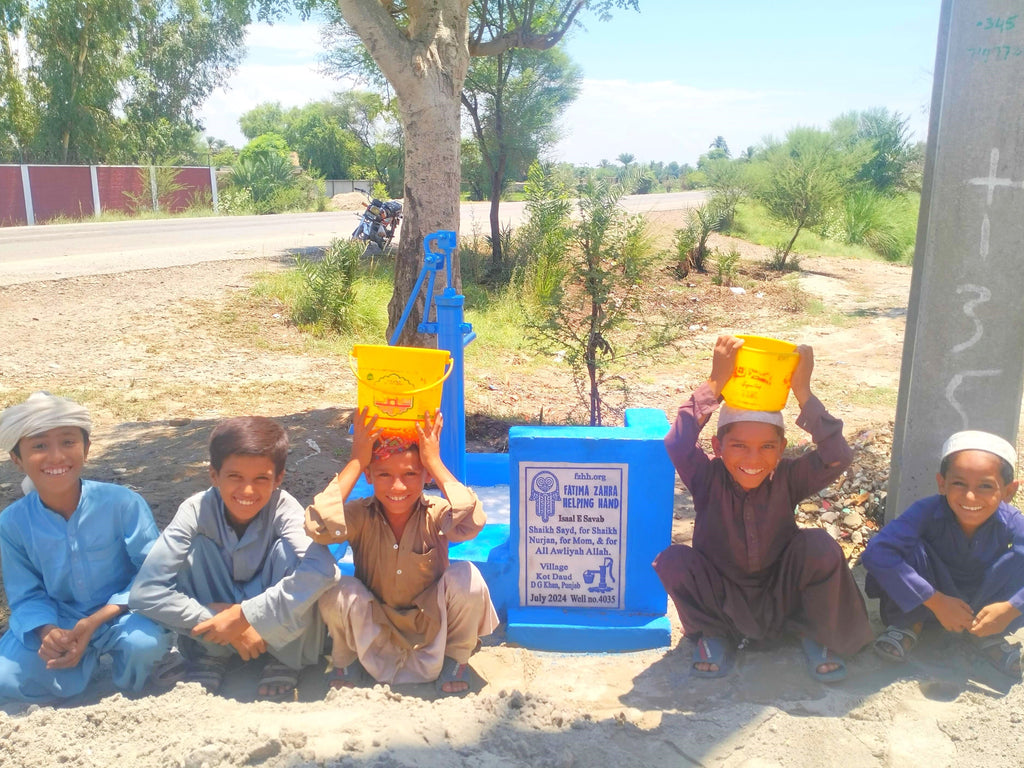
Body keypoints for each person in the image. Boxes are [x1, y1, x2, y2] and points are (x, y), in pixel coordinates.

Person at [653, 335, 872, 682]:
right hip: (722, 599)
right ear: (717, 446)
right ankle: (714, 634)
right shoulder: (706, 477)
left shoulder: (789, 477)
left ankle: (816, 634)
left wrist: (803, 392)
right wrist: (715, 382)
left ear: (783, 447)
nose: (753, 459)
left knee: (818, 545)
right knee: (673, 561)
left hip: (781, 597)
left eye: (767, 447)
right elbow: (677, 442)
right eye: (738, 446)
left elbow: (838, 456)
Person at [129, 416, 339, 700]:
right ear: (214, 475)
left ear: (278, 478)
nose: (247, 491)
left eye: (261, 479)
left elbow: (325, 571)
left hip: (280, 634)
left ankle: (286, 658)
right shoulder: (195, 510)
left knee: (291, 555)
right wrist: (225, 624)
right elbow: (146, 592)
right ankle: (211, 654)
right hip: (215, 629)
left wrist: (245, 615)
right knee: (195, 551)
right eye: (234, 477)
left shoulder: (284, 507)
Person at [305, 408, 499, 695]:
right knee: (336, 587)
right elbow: (317, 525)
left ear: (426, 477)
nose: (397, 486)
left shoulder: (437, 513)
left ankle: (455, 659)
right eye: (384, 474)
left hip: (431, 633)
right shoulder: (360, 515)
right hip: (373, 631)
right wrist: (357, 460)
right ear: (369, 476)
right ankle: (347, 660)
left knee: (467, 576)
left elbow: (472, 521)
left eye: (410, 474)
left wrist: (433, 460)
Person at [0, 392, 170, 703]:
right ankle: (78, 665)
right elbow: (26, 594)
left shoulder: (122, 503)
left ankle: (123, 670)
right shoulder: (11, 523)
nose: (56, 457)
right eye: (39, 446)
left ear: (87, 449)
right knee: (6, 679)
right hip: (60, 619)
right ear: (16, 459)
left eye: (67, 442)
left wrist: (94, 622)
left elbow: (154, 571)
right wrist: (47, 632)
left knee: (144, 647)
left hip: (122, 613)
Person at [862, 430, 1023, 679]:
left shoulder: (1011, 522)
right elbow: (876, 552)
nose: (970, 496)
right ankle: (911, 623)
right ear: (941, 483)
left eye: (985, 486)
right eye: (959, 483)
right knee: (907, 549)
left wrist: (1012, 607)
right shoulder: (926, 511)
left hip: (984, 599)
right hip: (930, 597)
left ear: (1008, 491)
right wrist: (935, 600)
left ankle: (988, 631)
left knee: (1018, 561)